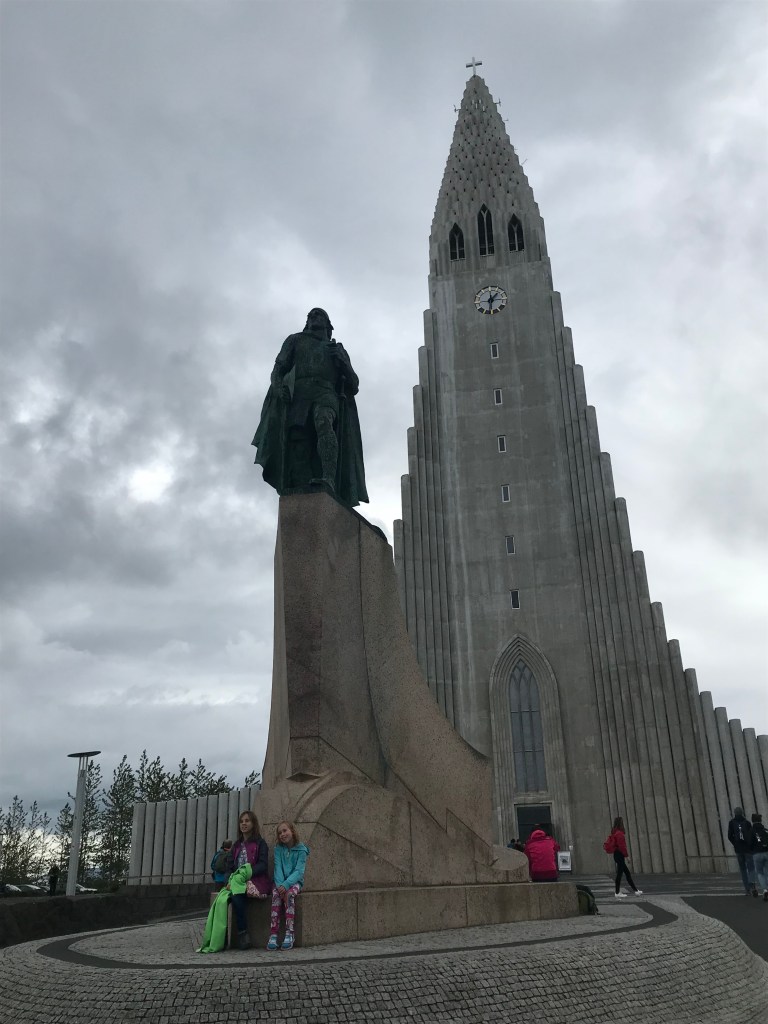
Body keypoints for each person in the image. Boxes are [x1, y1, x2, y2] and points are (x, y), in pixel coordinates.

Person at [252, 307, 368, 507]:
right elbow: (278, 369)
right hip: (300, 394)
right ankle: (302, 484)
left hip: (326, 393)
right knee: (299, 440)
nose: (313, 317)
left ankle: (329, 478)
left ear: (328, 324)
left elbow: (354, 385)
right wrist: (279, 387)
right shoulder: (295, 340)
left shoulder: (337, 349)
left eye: (318, 314)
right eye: (310, 315)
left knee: (323, 422)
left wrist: (342, 362)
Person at [228, 811, 270, 949]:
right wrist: (229, 881)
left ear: (253, 823)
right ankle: (221, 936)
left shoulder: (260, 843)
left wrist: (246, 875)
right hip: (236, 882)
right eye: (241, 821)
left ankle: (242, 933)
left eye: (247, 821)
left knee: (237, 895)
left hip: (255, 880)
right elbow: (229, 867)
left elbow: (263, 865)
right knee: (226, 898)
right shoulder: (236, 845)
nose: (244, 824)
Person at [267, 821, 310, 951]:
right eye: (280, 833)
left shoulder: (302, 849)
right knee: (275, 895)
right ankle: (273, 933)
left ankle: (289, 932)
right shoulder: (278, 849)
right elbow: (278, 868)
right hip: (280, 882)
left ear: (292, 831)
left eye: (285, 831)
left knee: (290, 895)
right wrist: (281, 886)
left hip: (294, 883)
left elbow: (299, 871)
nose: (282, 834)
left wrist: (286, 885)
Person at [605, 817, 643, 898]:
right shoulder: (619, 834)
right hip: (620, 855)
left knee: (626, 873)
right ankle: (617, 892)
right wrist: (627, 856)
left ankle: (635, 890)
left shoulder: (614, 832)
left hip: (617, 854)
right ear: (620, 823)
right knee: (620, 874)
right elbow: (622, 846)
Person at [727, 806, 755, 896]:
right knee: (751, 868)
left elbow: (729, 836)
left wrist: (735, 843)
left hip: (738, 849)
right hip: (748, 849)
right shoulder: (747, 823)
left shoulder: (731, 823)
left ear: (735, 813)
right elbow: (751, 835)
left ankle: (747, 889)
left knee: (743, 869)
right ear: (742, 813)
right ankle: (753, 886)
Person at [749, 813, 768, 901]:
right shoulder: (765, 830)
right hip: (766, 852)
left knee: (760, 873)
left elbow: (750, 843)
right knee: (767, 871)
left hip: (756, 854)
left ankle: (765, 890)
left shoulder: (751, 831)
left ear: (752, 821)